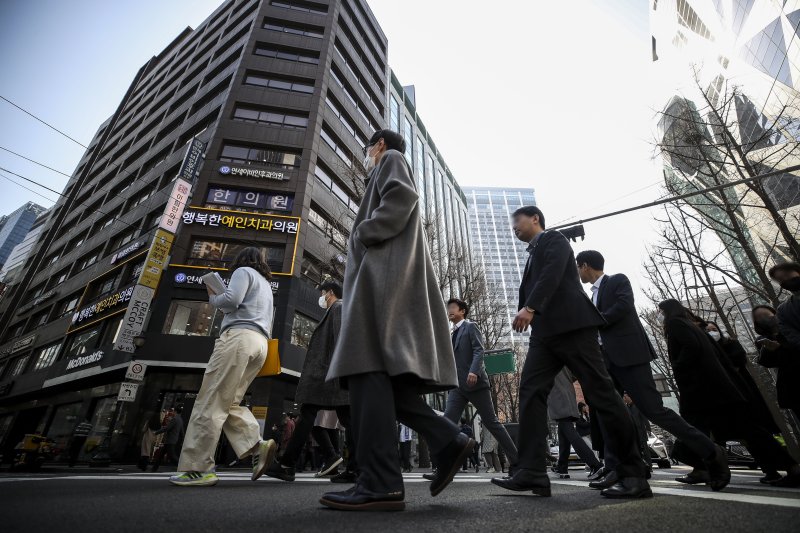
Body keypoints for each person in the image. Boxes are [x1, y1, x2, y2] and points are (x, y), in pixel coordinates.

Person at [320, 129, 474, 512]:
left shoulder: (391, 160)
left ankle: (380, 481)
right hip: (384, 279)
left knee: (365, 369)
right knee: (380, 381)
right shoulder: (386, 166)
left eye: (368, 148)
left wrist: (363, 234)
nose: (368, 155)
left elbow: (402, 197)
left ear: (380, 145)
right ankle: (447, 439)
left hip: (380, 282)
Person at [492, 207, 650, 499]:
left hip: (572, 326)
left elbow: (551, 274)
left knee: (601, 392)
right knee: (529, 391)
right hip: (545, 335)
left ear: (535, 219)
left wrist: (530, 307)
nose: (513, 226)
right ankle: (533, 471)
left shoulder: (554, 240)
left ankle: (633, 472)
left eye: (517, 220)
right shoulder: (531, 253)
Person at [576, 250, 729, 491]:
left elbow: (623, 307)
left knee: (654, 410)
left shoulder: (617, 280)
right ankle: (619, 469)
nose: (578, 273)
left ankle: (711, 451)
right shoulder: (590, 296)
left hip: (630, 355)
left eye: (578, 268)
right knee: (609, 415)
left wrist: (594, 321)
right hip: (606, 362)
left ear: (585, 265)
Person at [658, 299, 800, 488]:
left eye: (660, 311)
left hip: (704, 391)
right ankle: (702, 469)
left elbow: (691, 348)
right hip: (716, 390)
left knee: (700, 429)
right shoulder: (694, 327)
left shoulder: (677, 324)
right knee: (745, 431)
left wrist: (678, 366)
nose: (660, 316)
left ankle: (789, 466)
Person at [169, 247, 278, 486]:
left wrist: (212, 294)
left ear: (240, 260)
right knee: (229, 402)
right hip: (261, 344)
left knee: (210, 400)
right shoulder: (266, 285)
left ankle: (197, 468)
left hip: (238, 338)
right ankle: (256, 445)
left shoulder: (243, 271)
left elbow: (230, 302)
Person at [266, 282, 358, 484]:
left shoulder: (339, 307)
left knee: (311, 414)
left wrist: (340, 372)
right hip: (329, 376)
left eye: (322, 293)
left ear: (330, 293)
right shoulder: (337, 309)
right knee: (345, 419)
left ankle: (287, 464)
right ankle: (354, 467)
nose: (321, 297)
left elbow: (342, 341)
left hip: (328, 375)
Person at [439, 298, 518, 472]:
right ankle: (444, 466)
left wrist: (474, 371)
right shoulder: (451, 334)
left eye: (453, 307)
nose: (450, 310)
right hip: (457, 387)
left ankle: (517, 461)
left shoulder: (470, 326)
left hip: (475, 383)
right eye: (448, 307)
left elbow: (478, 350)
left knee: (492, 423)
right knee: (447, 422)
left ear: (462, 311)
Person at [548, 369, 603, 479]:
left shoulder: (546, 354)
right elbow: (575, 374)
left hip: (557, 396)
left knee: (569, 431)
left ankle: (595, 465)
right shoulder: (564, 356)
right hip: (568, 394)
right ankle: (562, 467)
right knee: (564, 430)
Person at [755, 304, 800, 420]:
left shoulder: (791, 326)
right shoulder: (763, 340)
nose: (764, 318)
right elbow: (767, 362)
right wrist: (770, 349)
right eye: (759, 317)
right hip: (793, 386)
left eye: (766, 314)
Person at [768, 262, 800, 352]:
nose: (786, 279)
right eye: (780, 279)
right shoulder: (783, 311)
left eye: (787, 274)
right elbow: (792, 336)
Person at [152, 407, 185, 472]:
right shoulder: (180, 420)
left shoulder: (174, 419)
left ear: (175, 411)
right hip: (173, 440)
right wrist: (182, 440)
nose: (172, 412)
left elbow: (167, 428)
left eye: (173, 411)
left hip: (170, 440)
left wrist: (156, 432)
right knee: (161, 455)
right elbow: (182, 432)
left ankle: (182, 467)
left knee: (172, 456)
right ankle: (154, 468)